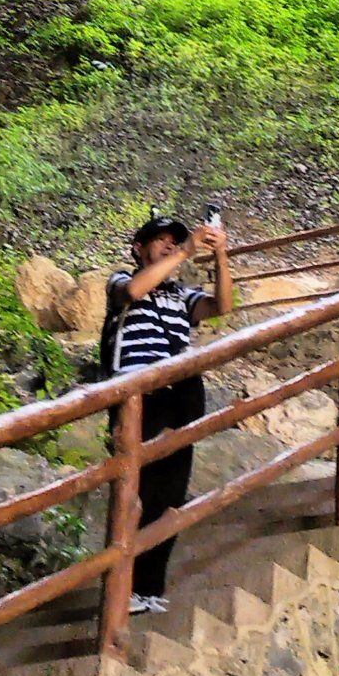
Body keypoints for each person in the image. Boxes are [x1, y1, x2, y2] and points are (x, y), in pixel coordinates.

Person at [105, 210, 234, 616]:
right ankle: (121, 590)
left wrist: (220, 258)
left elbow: (222, 306)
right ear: (138, 249)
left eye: (174, 239)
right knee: (137, 494)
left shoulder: (181, 294)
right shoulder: (120, 280)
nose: (168, 244)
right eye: (159, 240)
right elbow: (134, 292)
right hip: (140, 394)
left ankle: (147, 589)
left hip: (182, 392)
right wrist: (185, 252)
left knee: (171, 496)